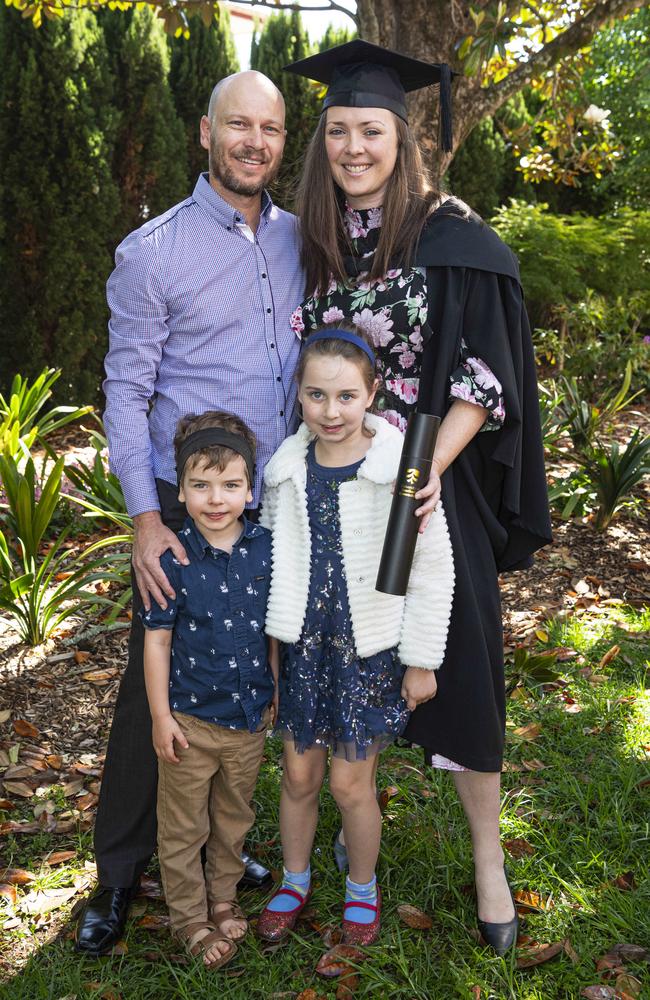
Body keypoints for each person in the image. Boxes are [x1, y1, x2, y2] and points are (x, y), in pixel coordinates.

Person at [284, 40, 552, 955]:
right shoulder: (309, 239)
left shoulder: (452, 235)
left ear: (402, 137)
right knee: (327, 646)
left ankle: (489, 863)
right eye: (339, 132)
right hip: (326, 484)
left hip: (427, 483)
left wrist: (426, 468)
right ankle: (303, 856)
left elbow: (489, 372)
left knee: (463, 662)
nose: (354, 147)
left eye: (372, 130)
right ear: (321, 141)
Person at [76, 70, 305, 957]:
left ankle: (220, 847)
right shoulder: (154, 252)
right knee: (155, 683)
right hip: (186, 505)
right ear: (205, 133)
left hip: (271, 497)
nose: (255, 141)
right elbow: (126, 395)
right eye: (238, 125)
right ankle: (120, 869)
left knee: (248, 667)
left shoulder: (297, 242)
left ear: (285, 142)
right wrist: (145, 518)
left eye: (272, 128)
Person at [255, 327, 455, 945]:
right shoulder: (285, 470)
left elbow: (431, 567)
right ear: (299, 395)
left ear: (372, 393)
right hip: (303, 647)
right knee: (297, 777)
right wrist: (267, 656)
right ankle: (294, 878)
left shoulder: (402, 469)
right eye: (316, 395)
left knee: (350, 783)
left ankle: (361, 889)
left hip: (366, 648)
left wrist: (422, 660)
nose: (331, 411)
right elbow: (268, 562)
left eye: (346, 395)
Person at [142, 410, 278, 970]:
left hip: (248, 719)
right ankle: (189, 920)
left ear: (250, 488)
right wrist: (159, 717)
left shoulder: (267, 549)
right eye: (200, 485)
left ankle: (222, 898)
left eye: (229, 485)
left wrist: (273, 688)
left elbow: (274, 628)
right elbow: (157, 643)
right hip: (190, 723)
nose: (215, 498)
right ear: (182, 489)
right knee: (183, 826)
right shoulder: (173, 559)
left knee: (233, 818)